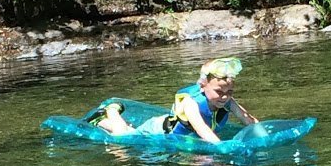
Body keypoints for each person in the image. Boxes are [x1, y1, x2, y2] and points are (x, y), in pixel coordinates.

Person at [88, 57, 258, 144]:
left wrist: (264, 133)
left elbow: (248, 120)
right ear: (202, 86)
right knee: (123, 139)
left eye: (229, 91)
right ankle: (111, 110)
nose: (225, 96)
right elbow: (203, 130)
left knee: (131, 131)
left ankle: (102, 123)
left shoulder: (227, 100)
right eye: (219, 91)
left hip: (180, 134)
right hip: (157, 130)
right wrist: (224, 148)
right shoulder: (191, 103)